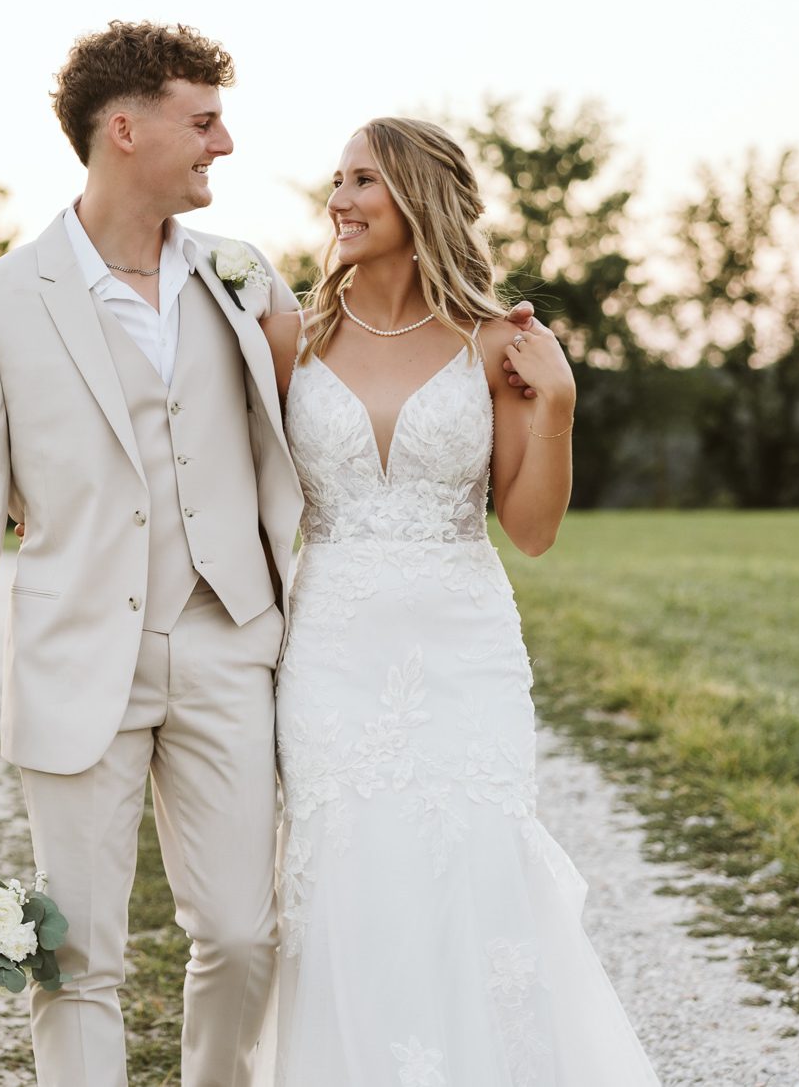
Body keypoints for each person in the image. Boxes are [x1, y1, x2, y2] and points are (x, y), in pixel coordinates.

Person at [0, 21, 539, 1086]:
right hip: (73, 654)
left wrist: (488, 347)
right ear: (125, 130)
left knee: (243, 936)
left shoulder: (245, 281)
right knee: (75, 956)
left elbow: (366, 360)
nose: (223, 144)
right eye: (202, 122)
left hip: (228, 645)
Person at [260, 118, 659, 1083]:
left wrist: (558, 407)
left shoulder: (500, 343)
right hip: (332, 654)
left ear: (419, 197)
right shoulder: (289, 337)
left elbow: (531, 528)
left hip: (464, 652)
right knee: (345, 877)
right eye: (338, 180)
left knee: (474, 868)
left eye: (363, 180)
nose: (339, 200)